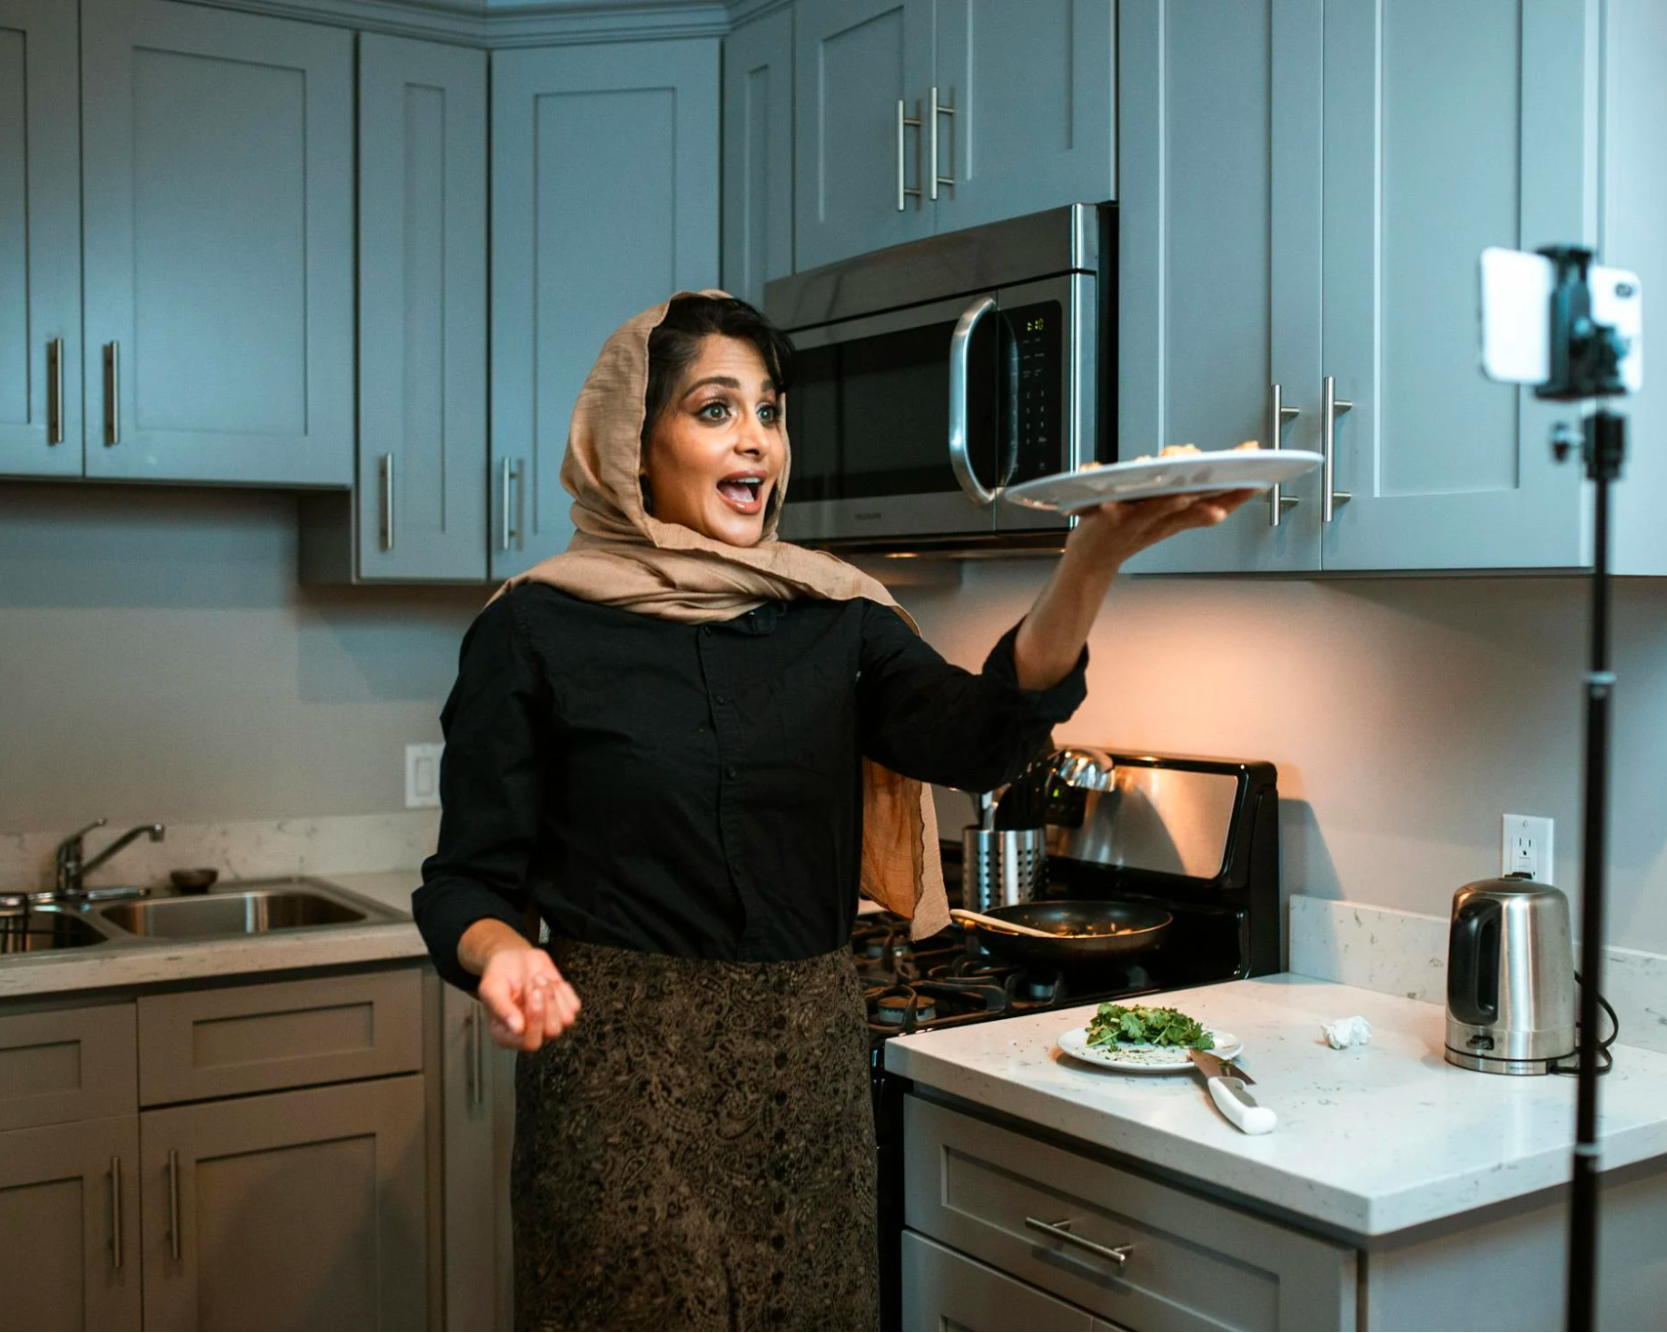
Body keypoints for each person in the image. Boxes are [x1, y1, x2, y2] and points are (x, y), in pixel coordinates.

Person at [411, 292, 1249, 1332]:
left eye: (769, 410)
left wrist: (1089, 560)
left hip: (803, 1080)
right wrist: (501, 954)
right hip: (616, 1086)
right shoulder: (534, 627)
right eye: (714, 410)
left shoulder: (836, 616)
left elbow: (980, 736)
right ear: (633, 438)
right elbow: (465, 883)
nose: (755, 438)